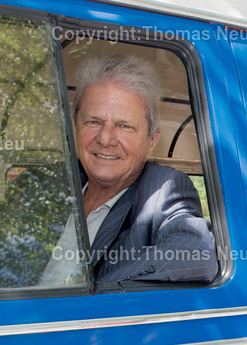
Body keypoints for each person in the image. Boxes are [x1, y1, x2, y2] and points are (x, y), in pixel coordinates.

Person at [44, 55, 216, 285]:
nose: (105, 138)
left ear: (152, 142)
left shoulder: (163, 189)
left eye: (124, 126)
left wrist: (89, 295)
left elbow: (194, 257)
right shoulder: (47, 183)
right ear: (75, 127)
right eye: (93, 122)